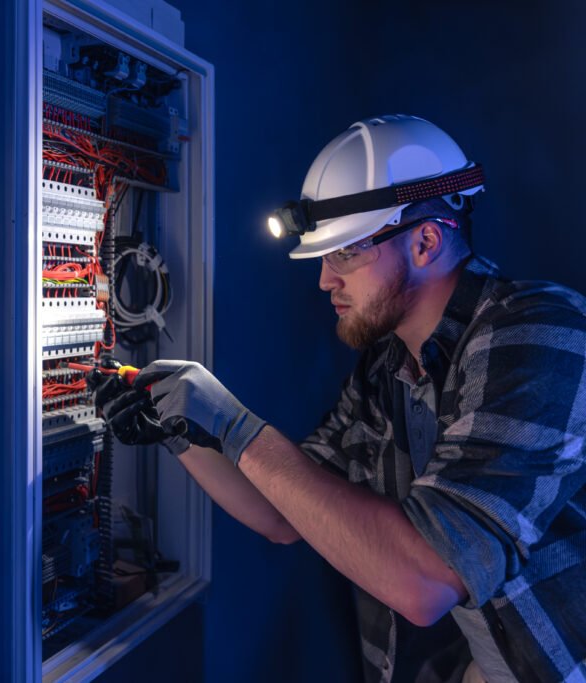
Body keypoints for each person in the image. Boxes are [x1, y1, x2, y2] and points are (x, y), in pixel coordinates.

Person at [92, 115, 586, 683]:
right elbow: (285, 512)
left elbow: (427, 581)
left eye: (345, 253)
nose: (326, 280)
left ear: (426, 241)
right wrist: (182, 427)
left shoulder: (540, 336)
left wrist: (232, 425)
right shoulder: (387, 369)